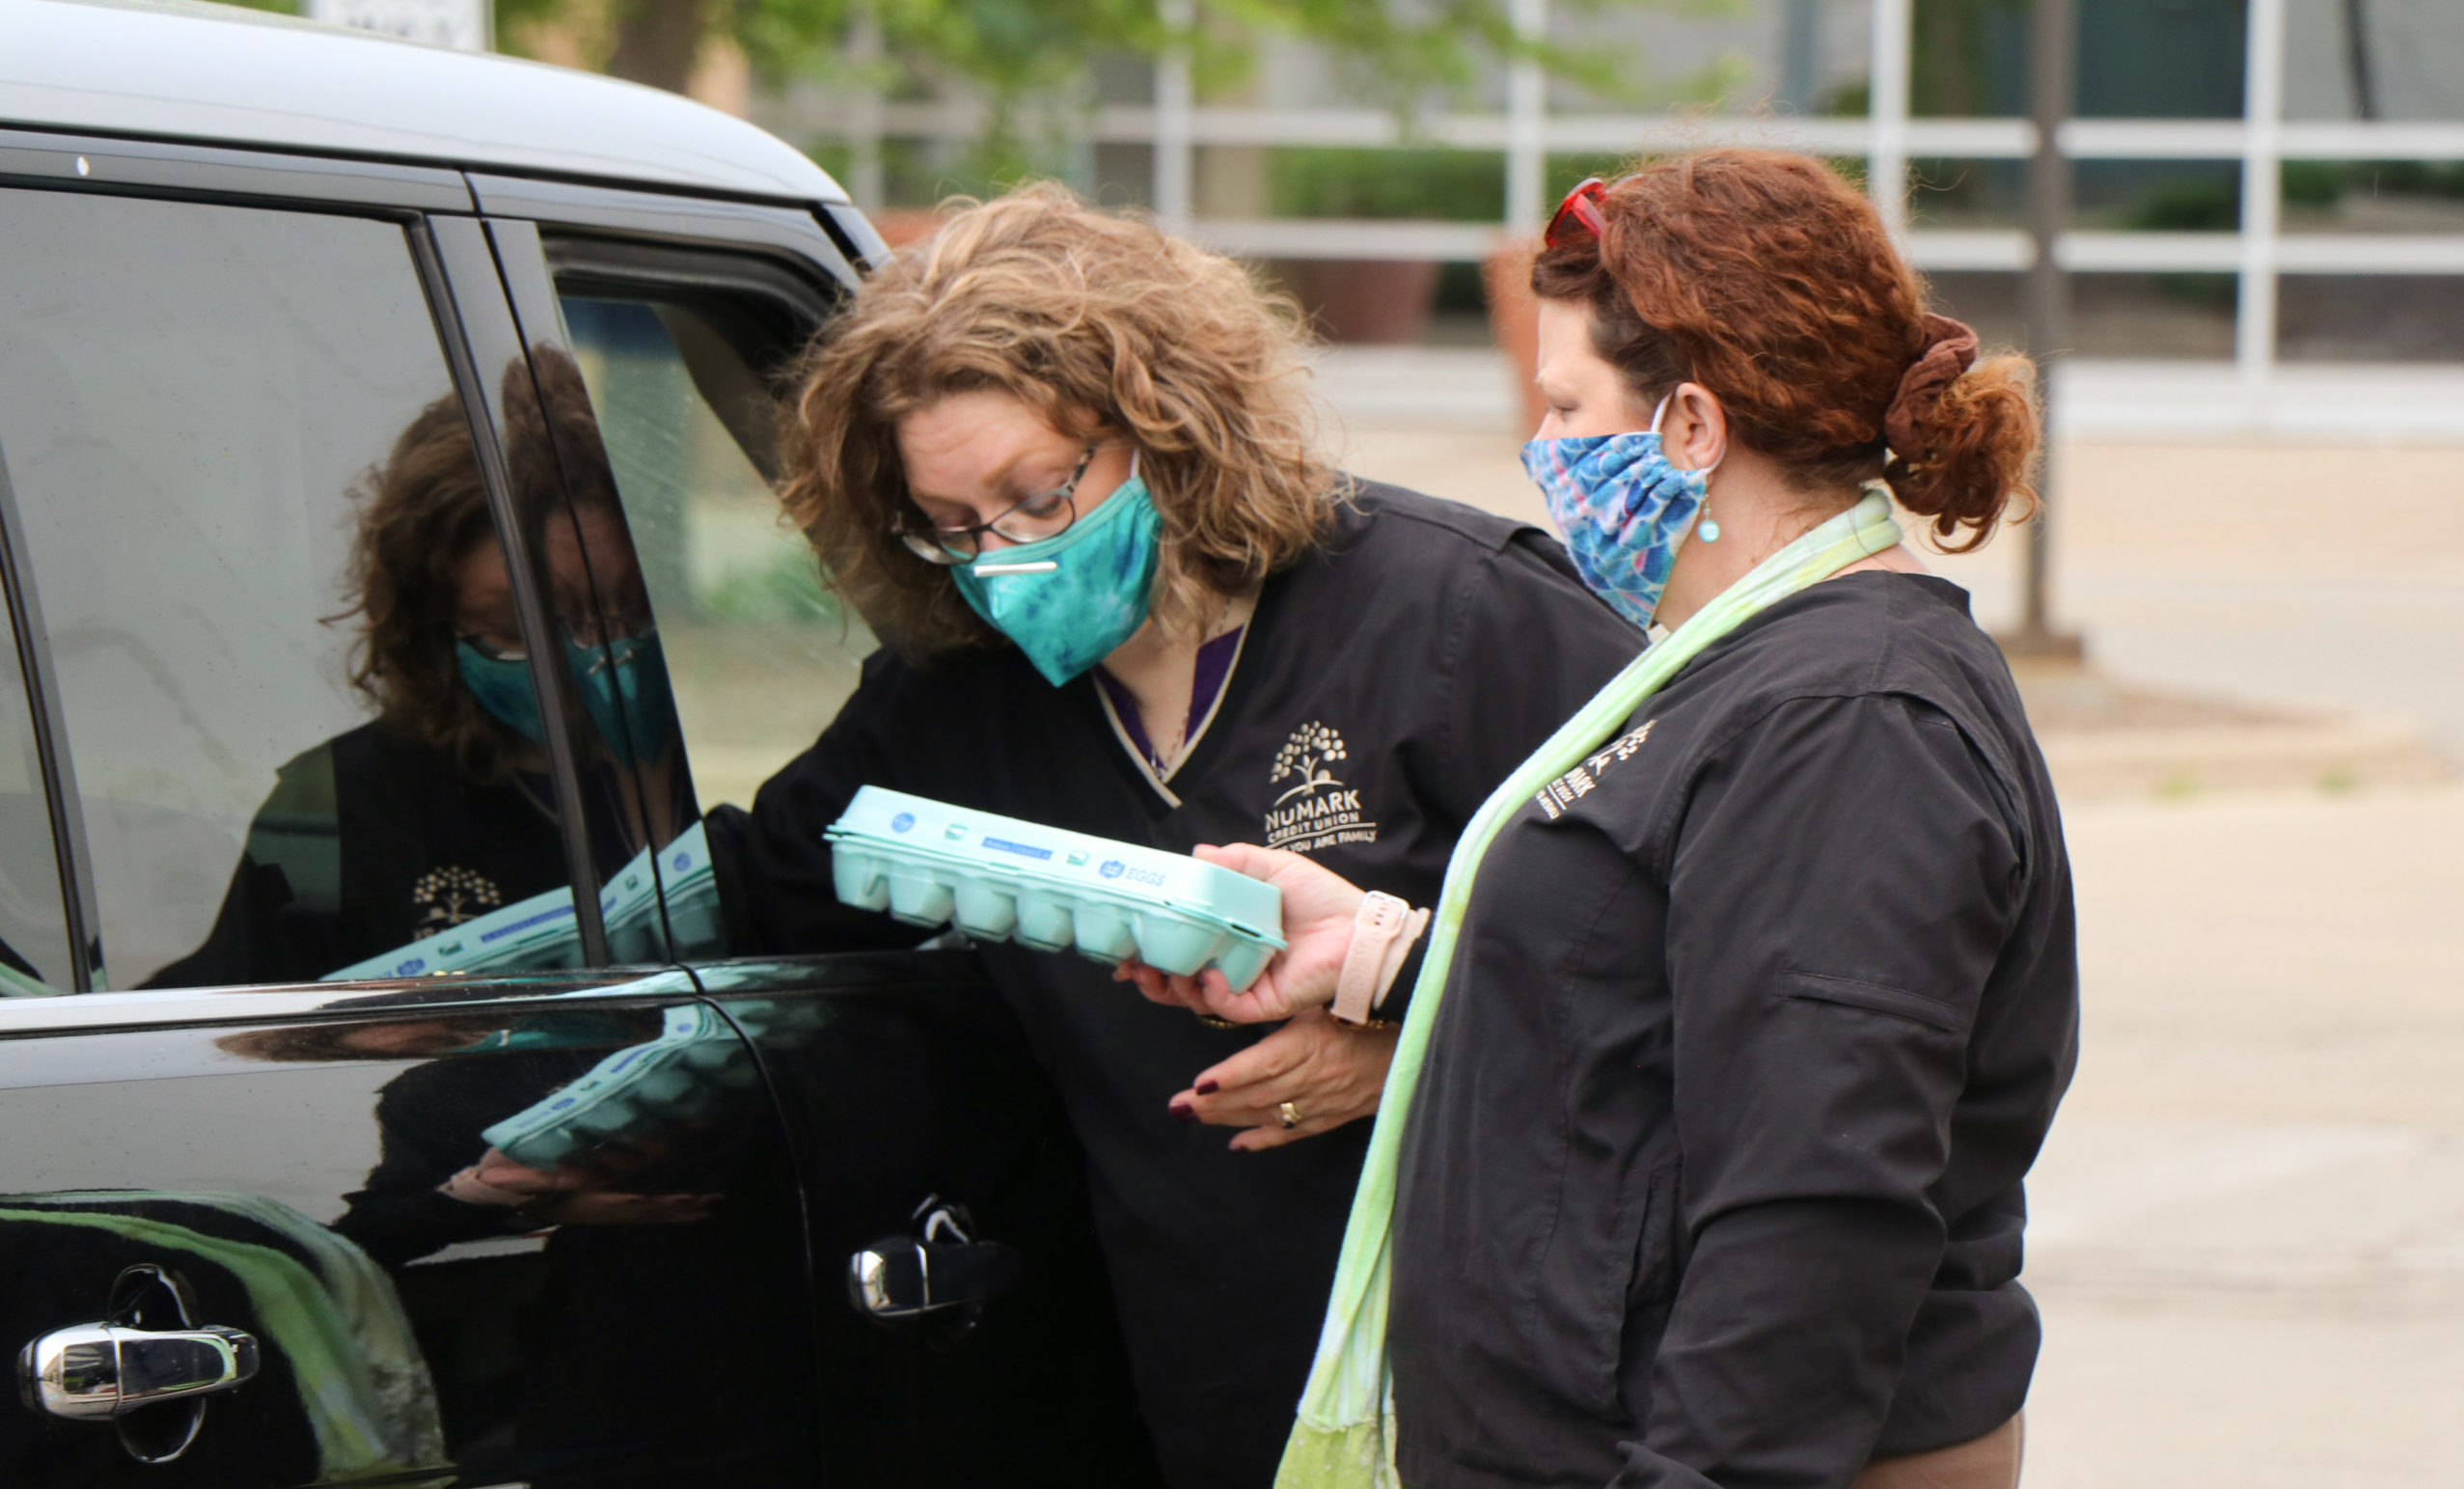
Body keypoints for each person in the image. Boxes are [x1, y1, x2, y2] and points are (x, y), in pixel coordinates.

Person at [1129, 151, 2079, 1489]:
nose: (1547, 451)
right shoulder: (1752, 667)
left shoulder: (1849, 718)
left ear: (1692, 426)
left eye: (1570, 404)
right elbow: (1661, 1008)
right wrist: (1379, 954)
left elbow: (1813, 1207)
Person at [705, 181, 1641, 1488]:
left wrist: (1414, 1042)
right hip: (1215, 1396)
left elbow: (1698, 965)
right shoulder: (952, 705)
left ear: (1166, 422)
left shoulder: (1463, 614)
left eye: (1041, 494)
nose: (1009, 556)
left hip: (1518, 1393)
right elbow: (744, 890)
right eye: (958, 527)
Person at [153, 352, 684, 986]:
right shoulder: (332, 809)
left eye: (627, 607)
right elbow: (234, 1038)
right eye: (521, 629)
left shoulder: (702, 777)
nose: (592, 654)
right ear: (429, 616)